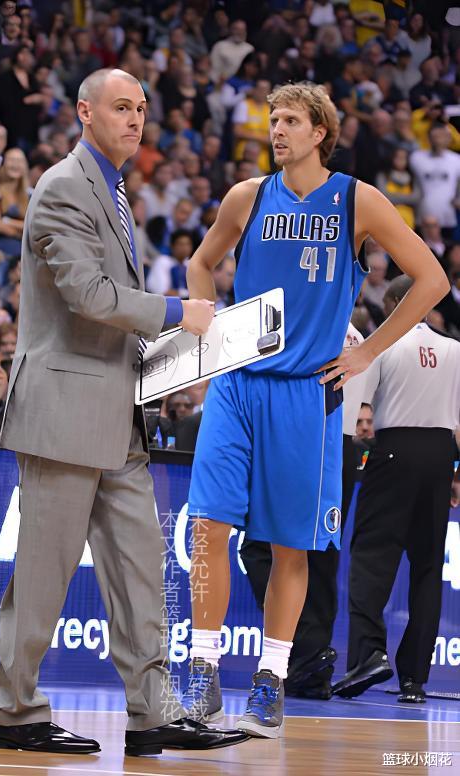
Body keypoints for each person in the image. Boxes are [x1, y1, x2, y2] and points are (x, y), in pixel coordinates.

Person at [0, 68, 247, 758]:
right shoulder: (63, 187)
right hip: (65, 414)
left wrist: (169, 354)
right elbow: (90, 296)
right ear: (84, 112)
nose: (135, 119)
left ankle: (151, 713)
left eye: (141, 109)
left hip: (117, 415)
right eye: (121, 107)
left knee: (140, 573)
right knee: (43, 578)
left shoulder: (114, 189)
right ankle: (11, 712)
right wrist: (177, 312)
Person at [180, 81, 448, 739]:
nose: (276, 130)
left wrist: (367, 353)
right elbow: (200, 263)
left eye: (290, 121)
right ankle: (202, 669)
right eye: (274, 119)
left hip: (307, 392)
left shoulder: (358, 200)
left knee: (290, 544)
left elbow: (432, 279)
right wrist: (208, 328)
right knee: (208, 527)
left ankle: (271, 678)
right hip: (238, 384)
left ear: (320, 132)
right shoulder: (247, 196)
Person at [333, 275, 460, 703]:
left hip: (394, 450)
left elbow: (359, 409)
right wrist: (455, 474)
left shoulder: (383, 346)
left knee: (372, 556)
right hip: (440, 456)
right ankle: (414, 680)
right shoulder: (454, 349)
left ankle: (368, 656)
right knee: (427, 568)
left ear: (392, 304)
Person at [239, 323, 368, 701]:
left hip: (301, 437)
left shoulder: (310, 325)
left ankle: (299, 646)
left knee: (262, 546)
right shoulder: (361, 340)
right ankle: (314, 661)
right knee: (322, 555)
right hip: (343, 448)